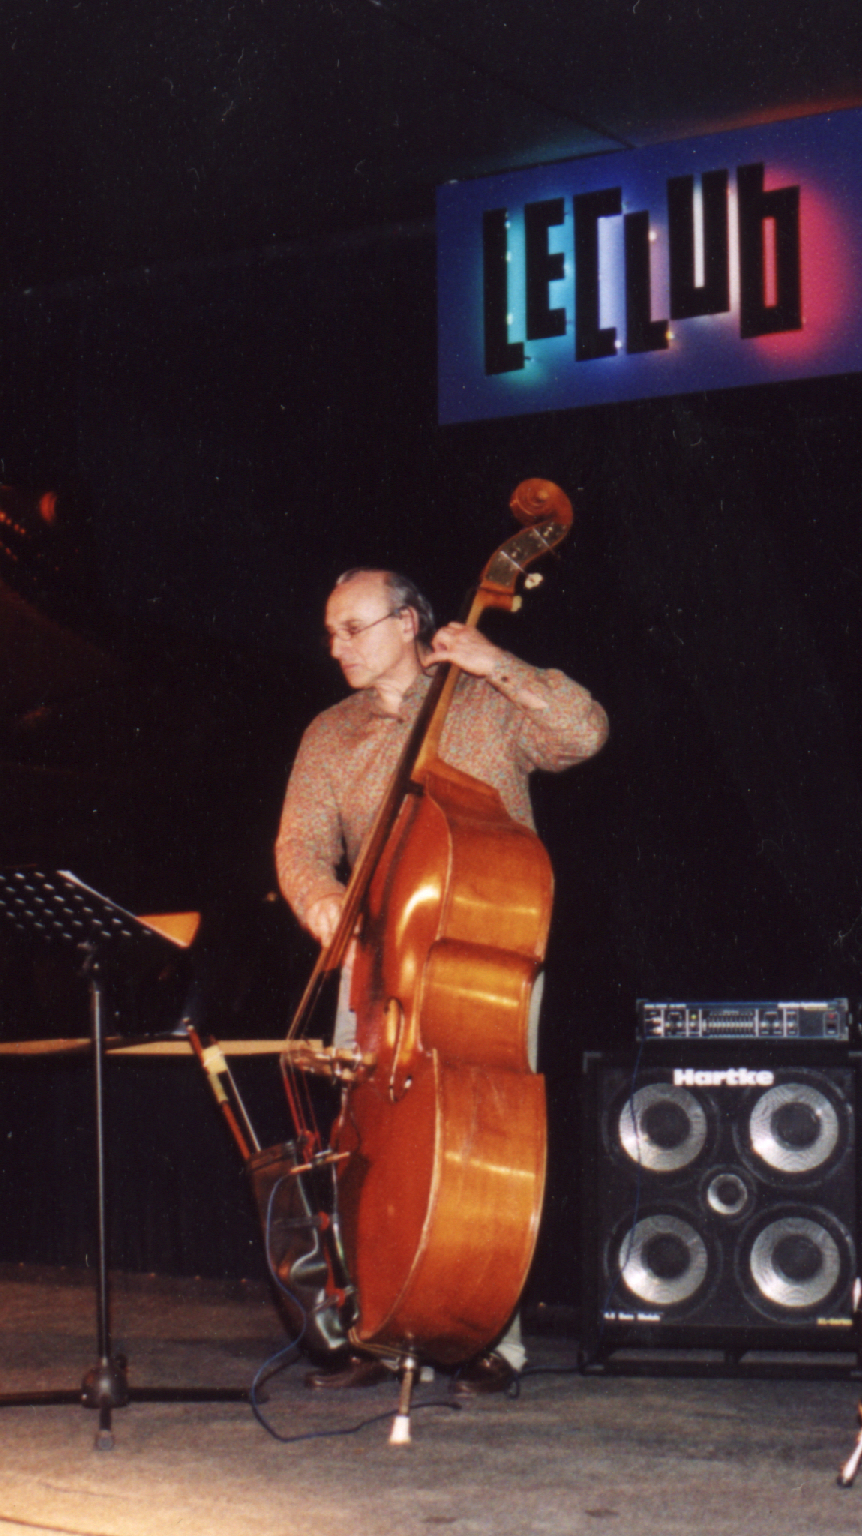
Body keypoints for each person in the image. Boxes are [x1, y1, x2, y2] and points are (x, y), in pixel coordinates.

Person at [274, 567, 609, 1395]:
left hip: (484, 957)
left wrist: (496, 661)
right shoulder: (329, 732)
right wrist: (323, 904)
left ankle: (488, 1333)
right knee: (368, 1147)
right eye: (330, 632)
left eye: (353, 627)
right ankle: (377, 1326)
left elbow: (584, 732)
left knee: (483, 1149)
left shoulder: (485, 702)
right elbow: (299, 844)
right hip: (380, 964)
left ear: (410, 620)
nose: (337, 646)